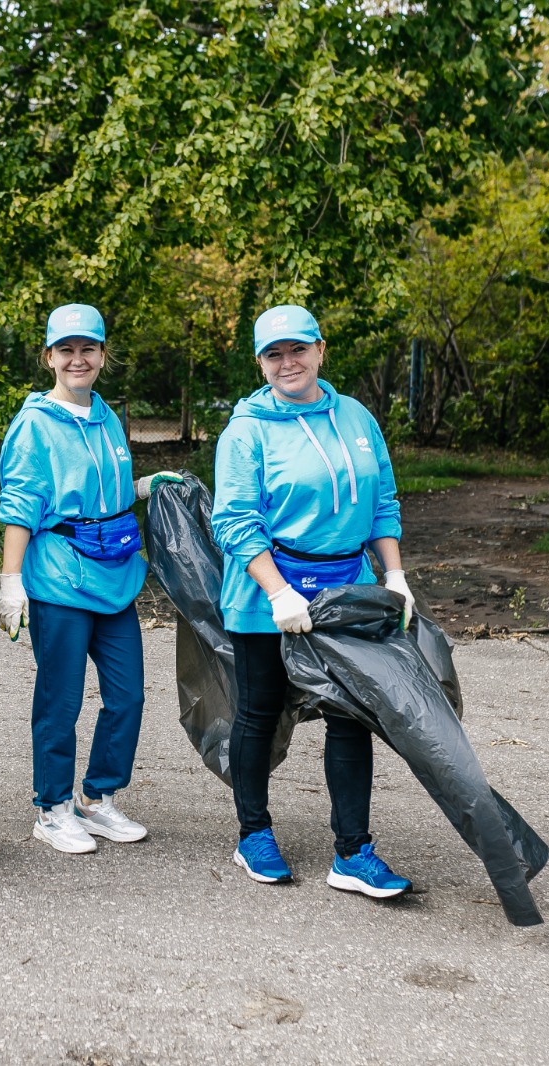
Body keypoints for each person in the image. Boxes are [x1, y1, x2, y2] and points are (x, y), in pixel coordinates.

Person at [209, 304, 416, 897]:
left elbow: (382, 502)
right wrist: (277, 592)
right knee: (259, 710)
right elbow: (235, 521)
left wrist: (394, 574)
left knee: (350, 717)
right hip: (266, 591)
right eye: (274, 354)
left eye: (297, 349)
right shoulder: (246, 430)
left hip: (344, 590)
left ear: (321, 349)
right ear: (259, 363)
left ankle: (353, 852)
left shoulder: (355, 417)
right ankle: (253, 834)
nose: (287, 363)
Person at [0, 303, 182, 854]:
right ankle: (52, 808)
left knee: (126, 697)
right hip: (59, 580)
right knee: (62, 699)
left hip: (114, 576)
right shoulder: (34, 423)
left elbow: (106, 490)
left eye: (88, 349)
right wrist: (12, 582)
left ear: (103, 355)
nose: (78, 359)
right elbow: (21, 507)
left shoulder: (104, 415)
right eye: (66, 350)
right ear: (49, 357)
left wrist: (144, 488)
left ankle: (96, 800)